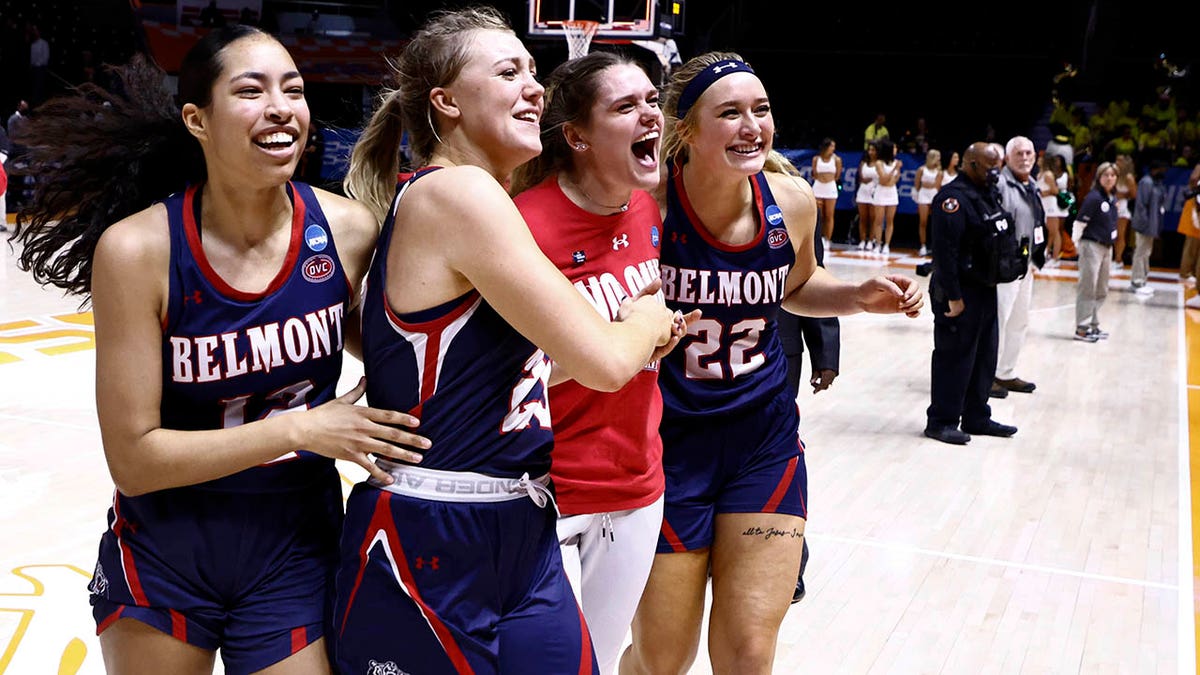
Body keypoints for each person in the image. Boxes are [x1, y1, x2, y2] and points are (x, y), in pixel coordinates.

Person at [10, 25, 431, 674]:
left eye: (292, 88)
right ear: (196, 119)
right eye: (251, 89)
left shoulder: (346, 230)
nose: (280, 104)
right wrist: (298, 427)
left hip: (293, 544)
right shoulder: (137, 252)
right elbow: (135, 460)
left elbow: (405, 355)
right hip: (166, 549)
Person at [331, 8, 677, 674]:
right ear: (447, 101)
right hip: (434, 527)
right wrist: (647, 319)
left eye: (533, 71)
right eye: (508, 71)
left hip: (520, 519)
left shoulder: (473, 198)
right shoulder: (458, 192)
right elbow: (606, 362)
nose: (535, 87)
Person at [621, 51, 923, 675]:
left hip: (764, 443)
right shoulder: (647, 204)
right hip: (665, 445)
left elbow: (797, 286)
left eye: (760, 110)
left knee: (750, 654)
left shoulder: (792, 201)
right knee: (663, 659)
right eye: (729, 113)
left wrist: (856, 298)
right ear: (686, 129)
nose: (751, 125)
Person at [508, 51, 691, 675]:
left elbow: (635, 331)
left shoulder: (645, 208)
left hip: (636, 480)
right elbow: (510, 374)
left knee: (599, 660)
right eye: (625, 106)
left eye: (650, 101)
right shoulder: (523, 226)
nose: (649, 116)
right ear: (577, 137)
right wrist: (620, 338)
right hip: (544, 487)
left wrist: (650, 336)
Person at [925, 142, 1020, 445]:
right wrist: (953, 296)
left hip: (984, 288)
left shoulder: (986, 194)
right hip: (958, 292)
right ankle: (942, 421)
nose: (996, 172)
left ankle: (977, 416)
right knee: (954, 358)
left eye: (998, 166)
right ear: (971, 164)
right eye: (990, 166)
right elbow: (944, 254)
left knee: (984, 355)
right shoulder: (951, 199)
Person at [777, 233, 840, 606]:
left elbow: (811, 275)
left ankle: (790, 564)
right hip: (698, 365)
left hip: (778, 355)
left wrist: (825, 353)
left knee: (776, 461)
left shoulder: (791, 202)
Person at [992, 136, 1046, 398]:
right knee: (998, 320)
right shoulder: (1000, 184)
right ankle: (986, 374)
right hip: (1004, 265)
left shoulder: (1033, 184)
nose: (1025, 158)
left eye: (1029, 153)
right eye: (1019, 154)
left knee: (1019, 320)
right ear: (1007, 158)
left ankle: (1006, 372)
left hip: (1025, 263)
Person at [1072, 161, 1119, 342]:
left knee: (1101, 289)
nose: (1109, 178)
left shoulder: (1111, 198)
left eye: (1113, 175)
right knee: (1088, 287)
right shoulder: (1093, 198)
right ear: (1099, 178)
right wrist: (1078, 245)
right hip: (1091, 245)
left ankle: (1093, 324)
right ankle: (1082, 328)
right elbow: (1079, 222)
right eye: (1106, 175)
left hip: (1107, 247)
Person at [1130, 159, 1168, 296]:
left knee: (1146, 253)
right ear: (1155, 169)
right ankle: (1137, 281)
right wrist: (1144, 224)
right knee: (1140, 252)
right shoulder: (1146, 182)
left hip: (1152, 225)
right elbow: (1141, 206)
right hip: (1144, 225)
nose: (1164, 172)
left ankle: (1143, 280)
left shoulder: (1157, 183)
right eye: (1162, 169)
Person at [810, 137, 843, 250]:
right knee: (819, 215)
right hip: (818, 186)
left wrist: (828, 179)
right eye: (831, 146)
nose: (833, 148)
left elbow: (837, 176)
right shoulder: (816, 159)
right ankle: (817, 238)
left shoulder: (837, 160)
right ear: (826, 147)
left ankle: (828, 239)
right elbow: (814, 173)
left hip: (830, 188)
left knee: (829, 215)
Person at [1039, 153, 1070, 265]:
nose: (1038, 160)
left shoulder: (1048, 175)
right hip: (1044, 205)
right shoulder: (1041, 173)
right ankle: (1046, 252)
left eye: (1040, 159)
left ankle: (1055, 258)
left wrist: (1044, 193)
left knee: (1055, 232)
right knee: (1050, 232)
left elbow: (1055, 191)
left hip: (1051, 206)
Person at [873, 139, 900, 256]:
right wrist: (894, 169)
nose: (896, 150)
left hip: (892, 192)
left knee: (890, 220)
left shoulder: (897, 162)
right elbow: (883, 179)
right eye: (894, 148)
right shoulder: (879, 163)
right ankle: (878, 243)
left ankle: (887, 245)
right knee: (879, 220)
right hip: (881, 191)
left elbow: (895, 180)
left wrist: (895, 171)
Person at [913, 148, 943, 256]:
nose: (939, 159)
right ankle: (923, 246)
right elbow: (916, 185)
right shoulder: (921, 170)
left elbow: (937, 186)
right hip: (923, 195)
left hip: (934, 195)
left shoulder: (939, 172)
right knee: (923, 222)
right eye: (938, 157)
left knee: (936, 223)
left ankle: (935, 246)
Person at [1112, 154, 1137, 269]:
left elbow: (1134, 194)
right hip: (1112, 205)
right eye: (1116, 160)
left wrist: (1122, 195)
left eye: (1120, 161)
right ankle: (1112, 257)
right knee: (1111, 233)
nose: (1117, 162)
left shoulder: (1128, 177)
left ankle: (1118, 259)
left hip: (1123, 206)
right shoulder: (1114, 175)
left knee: (1120, 234)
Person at [855, 142, 878, 250]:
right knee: (863, 218)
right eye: (869, 150)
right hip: (863, 191)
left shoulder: (879, 164)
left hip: (874, 192)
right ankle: (862, 240)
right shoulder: (863, 163)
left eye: (873, 150)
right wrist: (865, 179)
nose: (871, 152)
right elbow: (860, 177)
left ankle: (870, 241)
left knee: (873, 219)